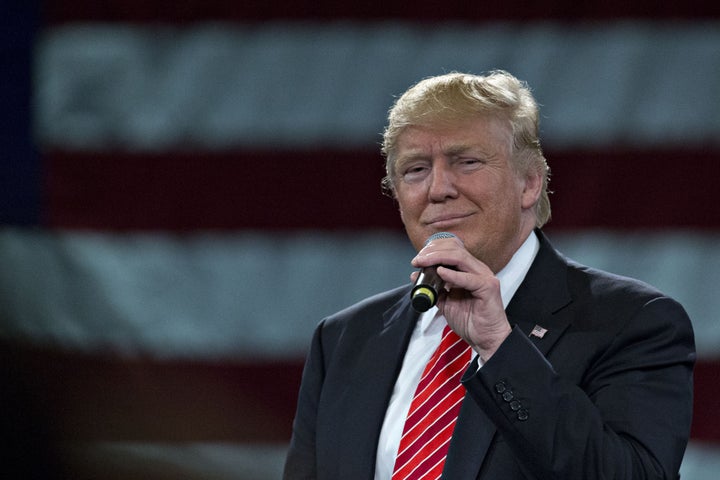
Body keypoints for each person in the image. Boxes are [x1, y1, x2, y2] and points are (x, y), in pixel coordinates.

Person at [283, 70, 695, 479]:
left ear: (530, 183)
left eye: (467, 162)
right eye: (415, 170)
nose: (438, 188)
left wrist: (499, 347)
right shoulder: (344, 340)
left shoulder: (633, 322)